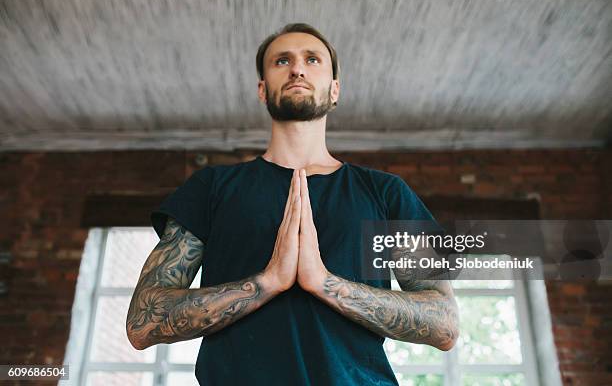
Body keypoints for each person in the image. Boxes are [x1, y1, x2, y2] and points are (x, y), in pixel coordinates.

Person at [126, 23, 459, 385]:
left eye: (312, 59)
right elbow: (143, 324)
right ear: (262, 89)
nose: (297, 68)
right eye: (282, 60)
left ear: (334, 90)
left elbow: (444, 324)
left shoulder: (386, 192)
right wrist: (267, 283)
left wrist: (324, 282)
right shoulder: (211, 188)